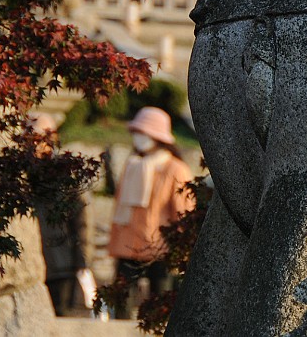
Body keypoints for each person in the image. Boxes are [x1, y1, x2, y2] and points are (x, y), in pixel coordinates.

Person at [108, 106, 194, 319]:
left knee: (161, 309)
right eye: (136, 132)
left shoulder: (176, 169)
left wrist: (181, 248)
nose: (138, 137)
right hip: (126, 245)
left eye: (143, 132)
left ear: (158, 136)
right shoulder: (132, 165)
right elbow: (118, 206)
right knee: (121, 305)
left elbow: (183, 213)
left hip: (160, 248)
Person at [27, 113, 91, 316]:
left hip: (61, 262)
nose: (35, 145)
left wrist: (83, 261)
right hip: (32, 264)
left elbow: (81, 222)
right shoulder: (19, 175)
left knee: (62, 316)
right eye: (30, 140)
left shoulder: (64, 175)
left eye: (40, 139)